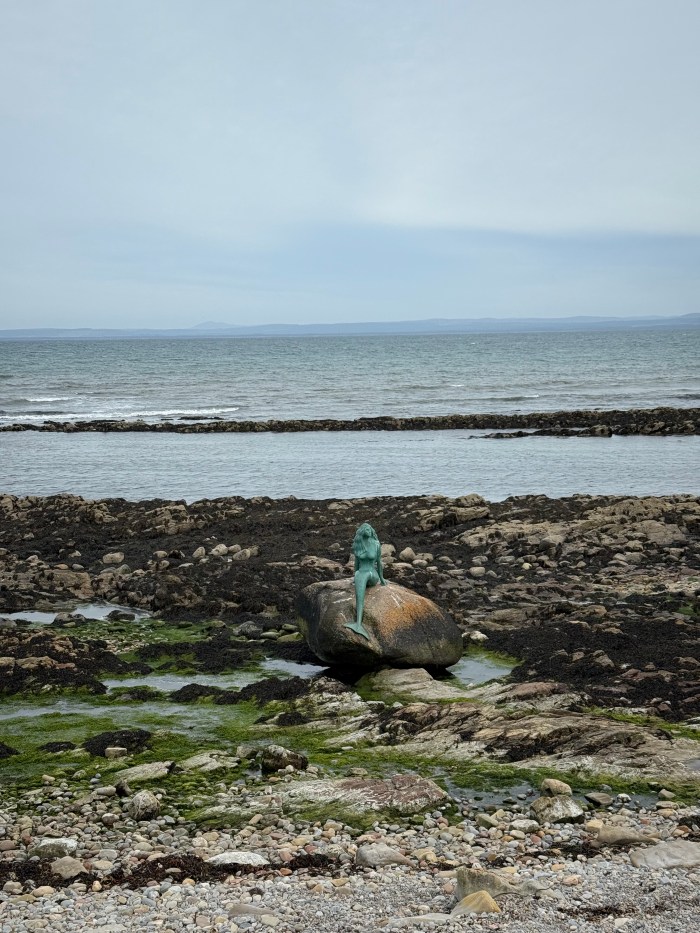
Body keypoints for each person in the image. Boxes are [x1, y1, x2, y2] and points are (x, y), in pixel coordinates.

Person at [345, 522, 386, 640]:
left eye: (370, 529)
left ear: (372, 531)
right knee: (359, 575)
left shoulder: (376, 544)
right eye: (366, 529)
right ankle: (358, 624)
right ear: (362, 531)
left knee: (363, 575)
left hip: (372, 574)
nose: (368, 530)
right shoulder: (358, 545)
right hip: (361, 572)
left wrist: (382, 579)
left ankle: (358, 624)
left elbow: (379, 563)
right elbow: (356, 565)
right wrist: (354, 577)